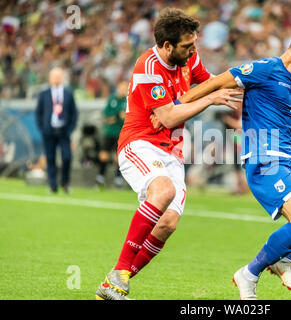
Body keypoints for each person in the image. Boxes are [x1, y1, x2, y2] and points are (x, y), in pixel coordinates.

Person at [179, 25, 291, 300]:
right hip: (266, 161)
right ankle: (249, 273)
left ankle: (285, 258)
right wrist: (178, 105)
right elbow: (215, 83)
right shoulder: (266, 69)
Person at [95, 8, 242, 300]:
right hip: (140, 144)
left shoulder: (189, 58)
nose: (193, 51)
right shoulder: (148, 67)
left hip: (172, 152)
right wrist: (210, 98)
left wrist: (252, 82)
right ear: (166, 46)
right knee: (162, 191)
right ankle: (120, 272)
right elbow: (169, 116)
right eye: (187, 46)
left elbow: (213, 81)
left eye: (194, 44)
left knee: (167, 224)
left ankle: (111, 287)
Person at [35, 67, 78, 194]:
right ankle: (53, 186)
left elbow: (74, 113)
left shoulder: (68, 93)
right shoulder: (44, 94)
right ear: (49, 78)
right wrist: (43, 128)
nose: (56, 79)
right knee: (50, 159)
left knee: (66, 157)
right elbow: (39, 113)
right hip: (49, 131)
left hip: (64, 131)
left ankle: (65, 183)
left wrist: (70, 129)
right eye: (54, 76)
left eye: (58, 76)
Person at [96, 80, 128, 188]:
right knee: (104, 155)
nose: (123, 90)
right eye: (122, 88)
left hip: (121, 133)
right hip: (109, 132)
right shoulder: (112, 99)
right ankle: (100, 177)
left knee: (118, 157)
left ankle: (118, 178)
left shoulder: (128, 101)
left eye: (125, 88)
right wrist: (118, 117)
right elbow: (106, 117)